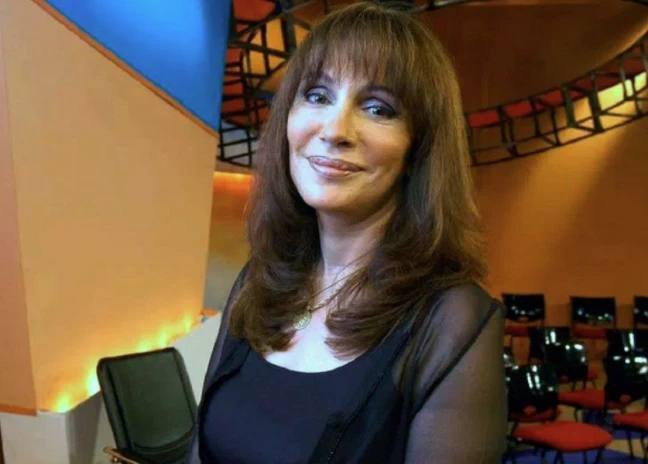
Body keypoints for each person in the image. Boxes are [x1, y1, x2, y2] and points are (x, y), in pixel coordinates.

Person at [186, 2, 507, 463]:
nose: (335, 130)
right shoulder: (259, 281)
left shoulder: (451, 322)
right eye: (318, 96)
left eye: (378, 108)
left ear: (418, 149)